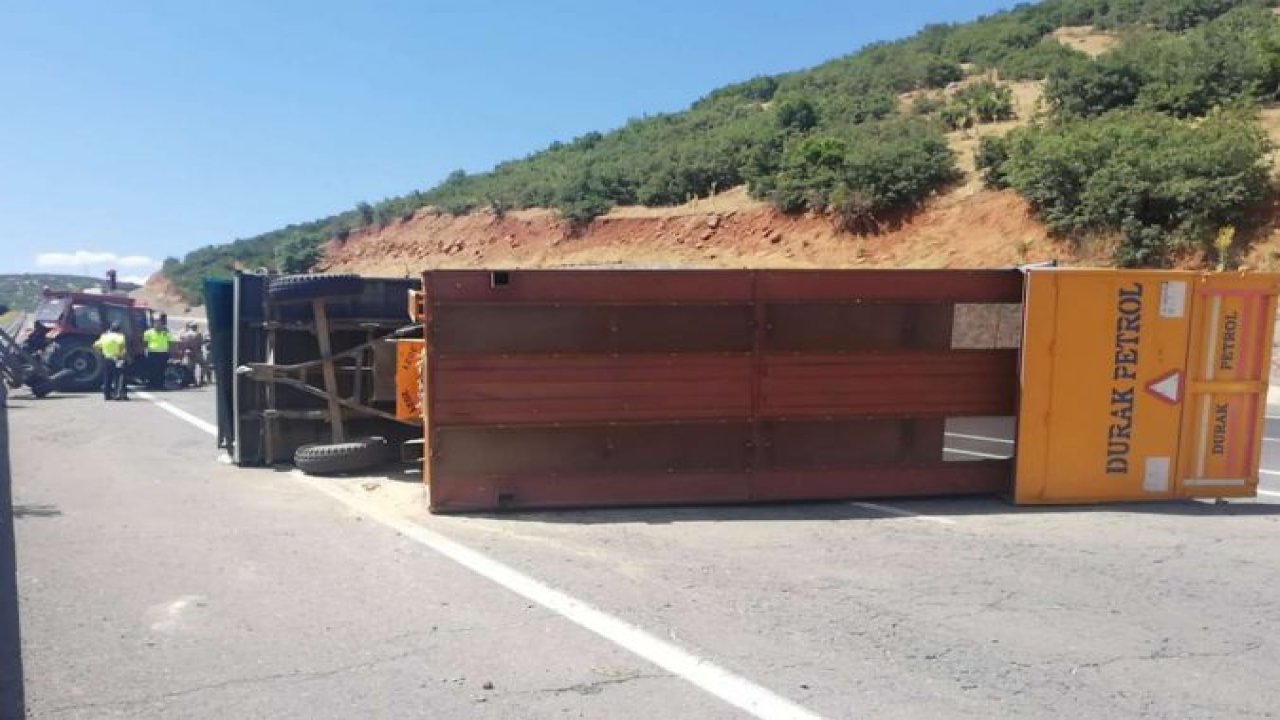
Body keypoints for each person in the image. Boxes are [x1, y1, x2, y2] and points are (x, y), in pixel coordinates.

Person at [93, 322, 129, 400]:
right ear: (119, 329)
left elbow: (95, 346)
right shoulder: (120, 336)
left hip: (107, 358)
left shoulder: (104, 336)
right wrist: (122, 357)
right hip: (117, 359)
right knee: (119, 377)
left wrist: (101, 353)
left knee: (107, 377)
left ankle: (107, 395)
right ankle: (118, 394)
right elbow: (123, 348)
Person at [142, 319, 171, 390]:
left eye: (160, 325)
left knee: (162, 370)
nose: (158, 326)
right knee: (152, 370)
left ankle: (160, 385)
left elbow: (170, 342)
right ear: (154, 325)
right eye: (156, 324)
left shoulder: (166, 333)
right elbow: (145, 343)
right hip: (153, 353)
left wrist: (170, 352)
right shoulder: (148, 333)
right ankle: (151, 385)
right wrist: (145, 351)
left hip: (163, 354)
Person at [178, 321, 208, 387]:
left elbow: (183, 343)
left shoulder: (186, 334)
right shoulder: (198, 334)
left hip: (190, 352)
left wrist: (186, 350)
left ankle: (194, 381)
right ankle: (201, 380)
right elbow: (202, 342)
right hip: (197, 352)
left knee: (191, 368)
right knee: (204, 365)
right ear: (195, 327)